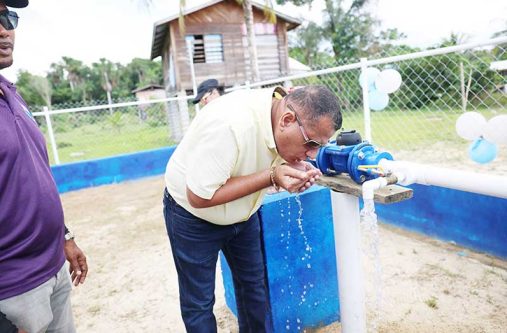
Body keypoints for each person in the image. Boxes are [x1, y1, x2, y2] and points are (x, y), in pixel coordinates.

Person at [163, 84, 342, 332]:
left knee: (254, 290)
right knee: (200, 303)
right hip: (192, 215)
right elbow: (199, 197)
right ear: (287, 120)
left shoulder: (281, 111)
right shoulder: (230, 125)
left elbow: (274, 151)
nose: (312, 154)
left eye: (319, 146)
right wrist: (271, 177)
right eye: (311, 143)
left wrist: (291, 169)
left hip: (243, 212)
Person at [0, 1, 88, 332]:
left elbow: (33, 174)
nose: (4, 30)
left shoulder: (11, 92)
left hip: (52, 269)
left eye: (7, 17)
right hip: (13, 292)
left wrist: (65, 237)